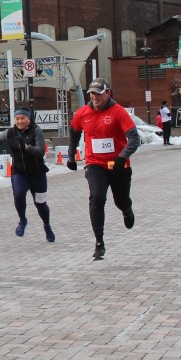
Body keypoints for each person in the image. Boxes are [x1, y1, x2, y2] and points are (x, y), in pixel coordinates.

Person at [67, 78, 140, 261]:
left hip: (118, 165)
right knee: (97, 197)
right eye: (92, 93)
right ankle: (99, 242)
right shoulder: (82, 113)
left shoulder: (119, 112)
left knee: (120, 200)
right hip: (95, 164)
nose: (94, 97)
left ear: (108, 93)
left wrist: (121, 157)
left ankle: (127, 209)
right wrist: (71, 157)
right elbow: (74, 133)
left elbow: (134, 139)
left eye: (98, 94)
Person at [0, 107, 53, 241]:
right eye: (17, 118)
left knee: (40, 204)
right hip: (19, 172)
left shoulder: (36, 130)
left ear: (29, 119)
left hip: (37, 173)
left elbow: (41, 151)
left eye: (23, 118)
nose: (19, 121)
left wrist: (27, 148)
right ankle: (22, 220)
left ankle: (47, 226)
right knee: (18, 195)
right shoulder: (10, 132)